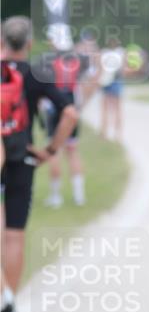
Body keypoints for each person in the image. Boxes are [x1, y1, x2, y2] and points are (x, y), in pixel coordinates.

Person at [1, 16, 77, 312]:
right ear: (30, 44)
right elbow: (69, 113)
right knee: (14, 235)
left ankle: (4, 299)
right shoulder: (34, 75)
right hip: (22, 158)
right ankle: (9, 304)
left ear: (2, 41)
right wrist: (50, 150)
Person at [43, 48, 90, 208]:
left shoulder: (49, 64)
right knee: (72, 151)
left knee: (54, 152)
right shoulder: (76, 63)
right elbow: (85, 86)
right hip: (71, 106)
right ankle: (79, 195)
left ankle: (56, 196)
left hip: (54, 108)